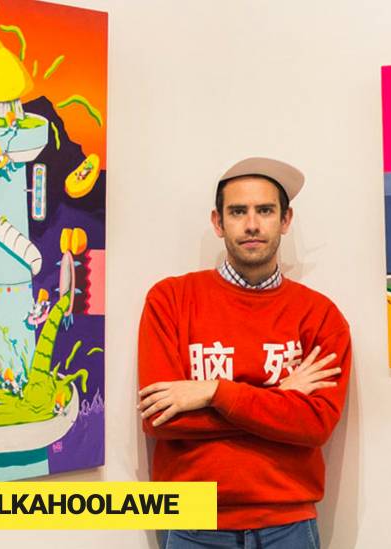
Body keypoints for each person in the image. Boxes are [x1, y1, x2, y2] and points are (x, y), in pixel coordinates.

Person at [138, 157, 352, 548]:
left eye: (265, 211)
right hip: (191, 520)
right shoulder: (169, 300)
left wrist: (212, 392)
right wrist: (280, 398)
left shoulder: (321, 316)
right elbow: (160, 419)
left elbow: (315, 425)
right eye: (238, 212)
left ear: (285, 220)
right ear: (218, 222)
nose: (252, 225)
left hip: (287, 519)